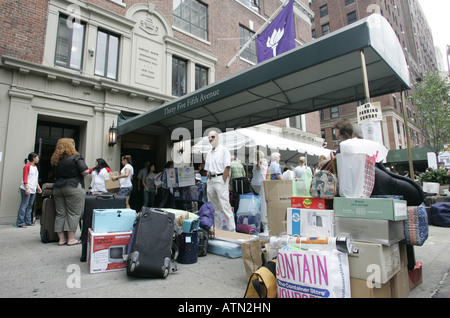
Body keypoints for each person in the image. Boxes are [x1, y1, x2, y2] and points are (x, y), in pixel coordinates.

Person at [51, 138, 89, 246]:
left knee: (60, 213)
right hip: (73, 186)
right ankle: (71, 239)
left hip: (58, 187)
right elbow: (85, 171)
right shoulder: (76, 157)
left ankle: (61, 239)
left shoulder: (56, 159)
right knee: (74, 213)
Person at [204, 130, 235, 232]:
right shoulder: (209, 153)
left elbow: (227, 167)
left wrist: (223, 180)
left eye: (212, 137)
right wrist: (208, 178)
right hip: (211, 180)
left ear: (217, 137)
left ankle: (232, 230)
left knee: (225, 205)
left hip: (219, 178)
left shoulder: (224, 150)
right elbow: (207, 168)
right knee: (214, 208)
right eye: (209, 137)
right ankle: (218, 230)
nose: (210, 139)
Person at [17, 152, 42, 228]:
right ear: (33, 158)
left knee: (30, 205)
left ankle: (28, 221)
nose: (38, 159)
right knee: (24, 205)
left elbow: (35, 179)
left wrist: (38, 187)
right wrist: (27, 188)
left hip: (33, 188)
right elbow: (25, 178)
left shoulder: (35, 167)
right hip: (27, 188)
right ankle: (21, 222)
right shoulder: (27, 166)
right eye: (37, 157)